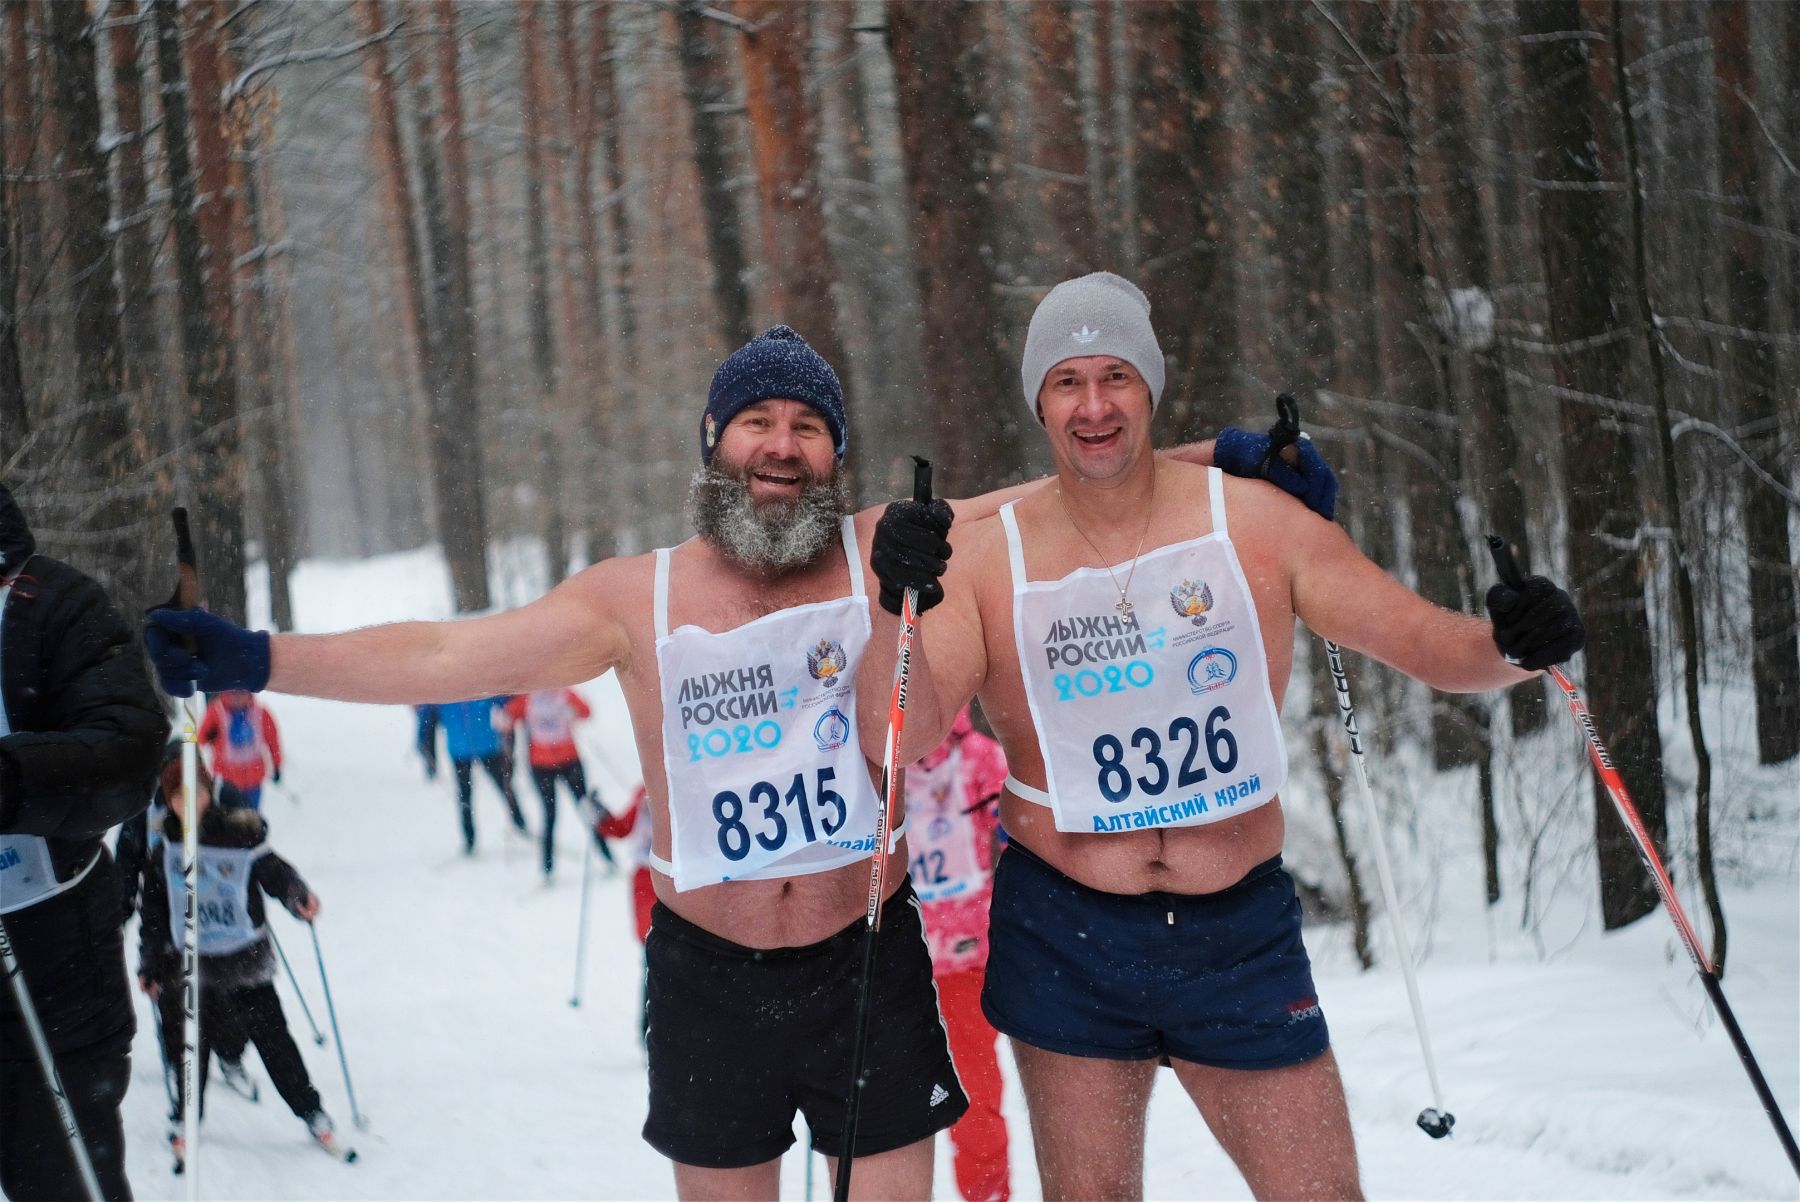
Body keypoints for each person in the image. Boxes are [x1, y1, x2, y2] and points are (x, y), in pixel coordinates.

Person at [143, 324, 1335, 1198]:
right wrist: (257, 654)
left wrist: (1231, 460)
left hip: (866, 955)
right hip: (711, 974)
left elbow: (1078, 489)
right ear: (715, 441)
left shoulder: (890, 547)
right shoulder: (637, 595)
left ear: (836, 456)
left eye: (809, 425)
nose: (783, 443)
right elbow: (456, 649)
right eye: (758, 420)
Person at [860, 272, 1587, 1200]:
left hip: (1237, 930)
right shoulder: (987, 556)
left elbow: (1425, 643)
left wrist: (1514, 644)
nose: (1094, 405)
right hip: (1068, 931)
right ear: (1038, 399)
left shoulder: (1251, 521)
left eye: (1116, 375)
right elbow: (900, 732)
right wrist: (897, 608)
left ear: (1150, 387)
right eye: (1067, 381)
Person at [0, 482, 169, 1201]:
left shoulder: (51, 603)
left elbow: (129, 752)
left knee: (64, 1182)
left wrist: (11, 781)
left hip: (48, 953)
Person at [136, 754, 349, 1163]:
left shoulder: (238, 834)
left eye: (195, 793)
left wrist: (297, 895)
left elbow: (273, 871)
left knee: (274, 1040)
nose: (188, 803)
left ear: (208, 792)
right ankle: (186, 1117)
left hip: (242, 960)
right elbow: (154, 916)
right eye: (177, 796)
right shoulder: (163, 849)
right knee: (188, 1048)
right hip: (190, 967)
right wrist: (149, 963)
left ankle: (311, 1110)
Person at [908, 708, 1010, 1202]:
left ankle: (986, 1195)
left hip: (967, 956)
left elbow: (1019, 843)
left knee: (973, 1094)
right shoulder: (874, 763)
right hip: (893, 960)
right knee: (889, 1105)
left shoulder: (982, 760)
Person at [505, 688, 615, 878]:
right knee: (549, 815)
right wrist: (504, 719)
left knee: (587, 809)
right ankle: (547, 869)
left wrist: (574, 711)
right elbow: (507, 717)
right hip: (541, 766)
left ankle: (608, 857)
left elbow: (587, 712)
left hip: (570, 762)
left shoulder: (564, 694)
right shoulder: (528, 698)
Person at [416, 697, 528, 854]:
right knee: (465, 797)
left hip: (488, 747)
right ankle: (469, 839)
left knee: (504, 786)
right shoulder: (442, 696)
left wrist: (509, 716)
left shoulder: (477, 688)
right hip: (460, 752)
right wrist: (422, 742)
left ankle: (520, 821)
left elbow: (506, 702)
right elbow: (426, 717)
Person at [596, 782, 656, 1042]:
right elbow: (621, 828)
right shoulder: (644, 792)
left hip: (680, 882)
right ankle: (648, 1033)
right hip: (647, 882)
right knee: (652, 959)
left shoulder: (691, 789)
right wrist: (600, 816)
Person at [196, 689, 283, 808]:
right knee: (228, 818)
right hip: (226, 781)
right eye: (233, 693)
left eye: (242, 693)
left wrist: (277, 765)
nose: (237, 698)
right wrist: (209, 736)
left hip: (254, 779)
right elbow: (201, 739)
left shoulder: (260, 713)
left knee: (251, 817)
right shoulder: (216, 712)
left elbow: (272, 740)